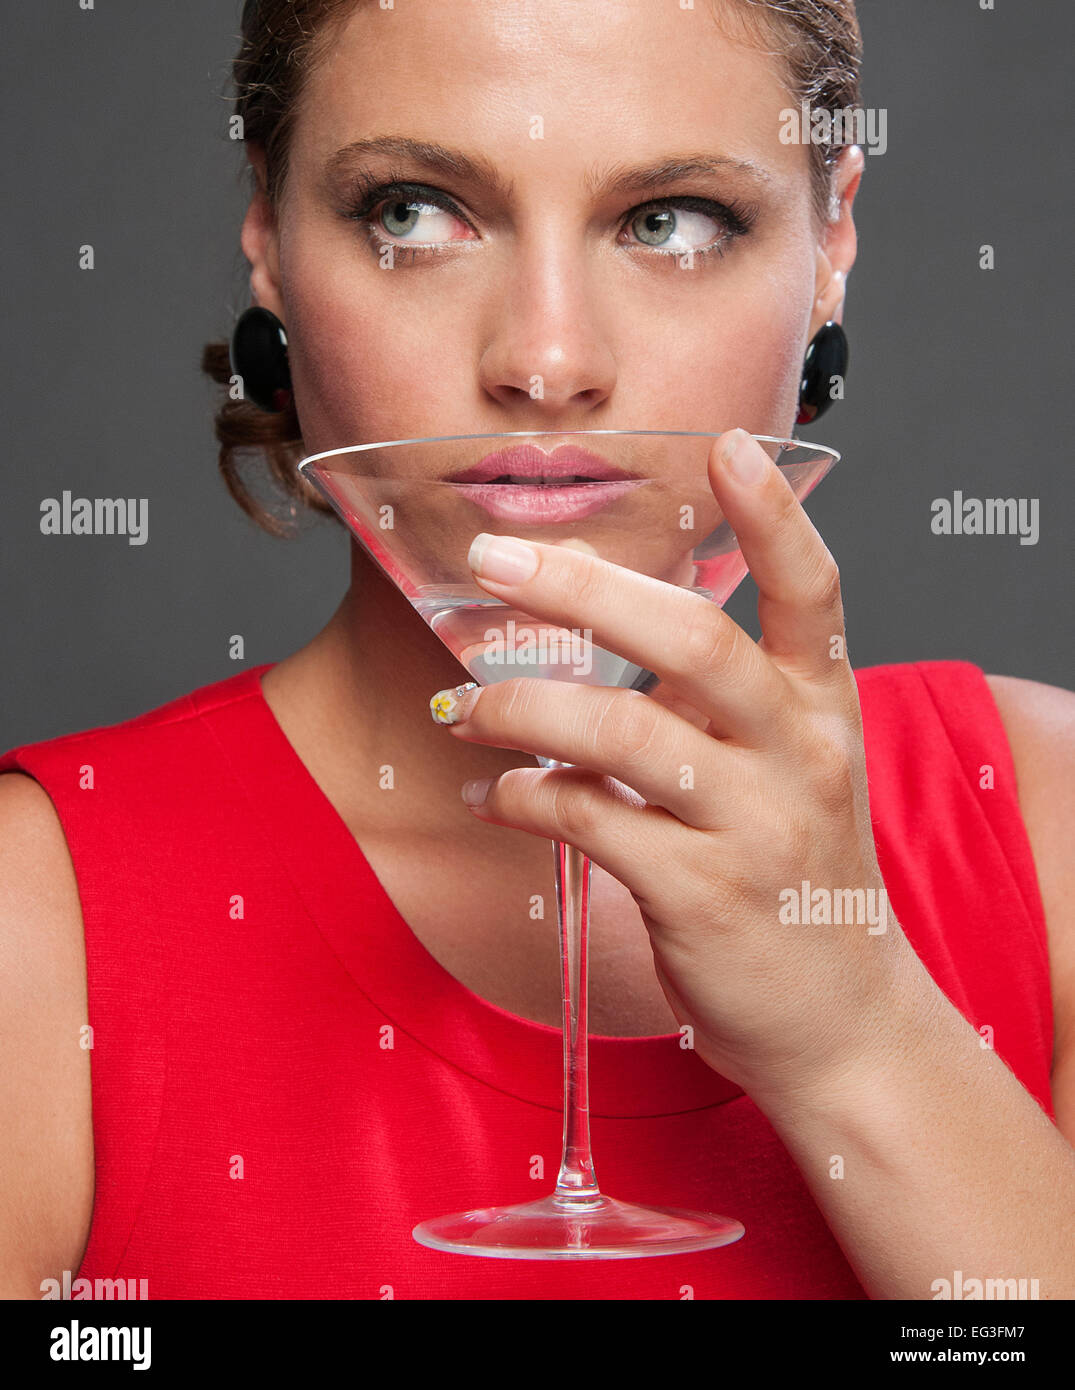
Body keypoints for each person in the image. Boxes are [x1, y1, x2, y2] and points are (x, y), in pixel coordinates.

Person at [2, 0, 1073, 1301]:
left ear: (832, 236)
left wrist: (861, 1033)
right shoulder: (39, 925)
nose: (547, 362)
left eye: (670, 220)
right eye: (413, 212)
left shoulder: (1042, 828)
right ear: (269, 236)